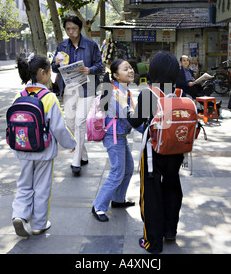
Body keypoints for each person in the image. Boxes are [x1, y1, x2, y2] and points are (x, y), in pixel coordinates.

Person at [117, 51, 185, 254]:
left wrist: (123, 104)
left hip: (154, 152)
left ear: (154, 70)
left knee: (151, 194)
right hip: (176, 150)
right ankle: (170, 230)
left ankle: (152, 243)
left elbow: (135, 121)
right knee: (172, 186)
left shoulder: (149, 93)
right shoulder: (180, 93)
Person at [11, 54, 76, 238]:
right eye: (49, 71)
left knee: (24, 185)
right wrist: (70, 144)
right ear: (42, 73)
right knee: (42, 187)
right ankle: (39, 224)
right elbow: (58, 127)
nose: (50, 75)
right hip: (43, 150)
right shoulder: (48, 97)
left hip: (22, 148)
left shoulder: (20, 95)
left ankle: (20, 216)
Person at [51, 15, 103, 175]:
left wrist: (90, 70)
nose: (71, 32)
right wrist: (56, 64)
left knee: (80, 121)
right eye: (68, 29)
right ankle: (83, 154)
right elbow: (53, 68)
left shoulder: (90, 45)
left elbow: (100, 65)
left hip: (87, 89)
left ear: (79, 28)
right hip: (69, 89)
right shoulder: (62, 46)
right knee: (71, 123)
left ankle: (76, 161)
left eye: (74, 28)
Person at [91, 59, 139, 222]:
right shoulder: (118, 93)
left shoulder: (121, 89)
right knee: (117, 171)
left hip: (119, 135)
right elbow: (129, 118)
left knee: (128, 167)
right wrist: (145, 127)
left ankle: (118, 199)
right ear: (116, 75)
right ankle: (98, 206)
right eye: (126, 69)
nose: (130, 71)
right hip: (114, 136)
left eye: (131, 68)